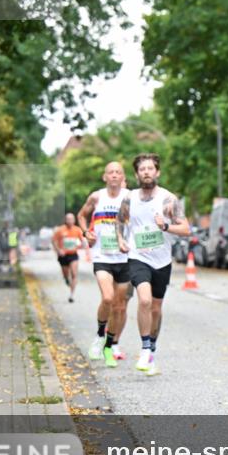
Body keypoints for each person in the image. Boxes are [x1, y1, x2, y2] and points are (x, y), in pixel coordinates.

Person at [116, 153, 190, 377]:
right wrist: (121, 239)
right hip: (138, 257)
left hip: (162, 261)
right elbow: (119, 221)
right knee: (144, 300)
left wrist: (165, 226)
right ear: (137, 174)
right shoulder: (129, 198)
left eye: (150, 168)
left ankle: (152, 349)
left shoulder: (168, 199)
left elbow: (186, 229)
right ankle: (145, 347)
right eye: (142, 169)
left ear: (157, 172)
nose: (146, 172)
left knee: (156, 308)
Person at [78, 161, 131, 368]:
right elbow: (82, 215)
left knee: (119, 307)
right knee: (108, 298)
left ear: (123, 176)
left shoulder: (130, 197)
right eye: (111, 172)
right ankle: (100, 335)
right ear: (105, 177)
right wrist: (86, 232)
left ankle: (109, 346)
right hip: (102, 256)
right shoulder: (96, 197)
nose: (115, 175)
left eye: (118, 172)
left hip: (125, 258)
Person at [52, 214, 83, 302]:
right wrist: (58, 250)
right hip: (63, 255)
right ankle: (66, 279)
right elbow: (54, 241)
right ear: (65, 220)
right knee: (66, 274)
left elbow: (82, 241)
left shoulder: (77, 230)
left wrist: (83, 245)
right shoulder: (60, 230)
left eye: (71, 219)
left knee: (74, 274)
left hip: (73, 255)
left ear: (74, 220)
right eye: (68, 219)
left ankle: (71, 295)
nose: (70, 221)